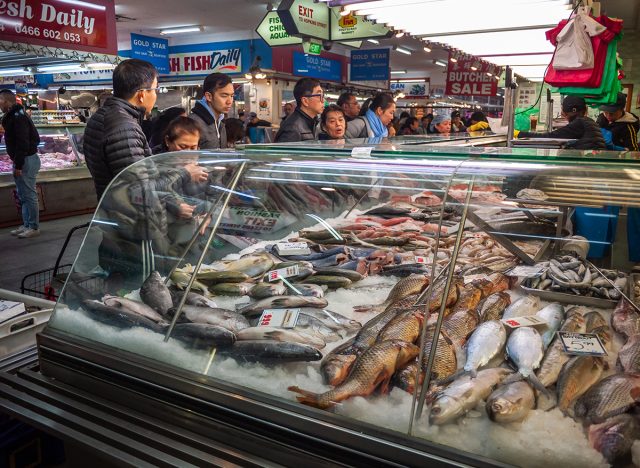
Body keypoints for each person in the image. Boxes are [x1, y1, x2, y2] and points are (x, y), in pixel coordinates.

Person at [0, 90, 41, 238]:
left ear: (5, 101)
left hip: (26, 160)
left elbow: (23, 142)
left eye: (0, 101)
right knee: (22, 194)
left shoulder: (18, 117)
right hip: (21, 159)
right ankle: (26, 224)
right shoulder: (12, 116)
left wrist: (18, 165)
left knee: (29, 195)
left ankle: (34, 227)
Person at [517, 96, 606, 150]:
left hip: (588, 166)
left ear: (564, 113)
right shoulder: (589, 121)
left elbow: (549, 137)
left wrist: (519, 134)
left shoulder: (579, 123)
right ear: (585, 110)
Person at [189, 73, 234, 149]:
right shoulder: (192, 123)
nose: (229, 101)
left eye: (232, 96)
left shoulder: (220, 122)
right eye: (224, 96)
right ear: (209, 96)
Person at [275, 78, 323, 143]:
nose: (323, 100)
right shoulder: (292, 128)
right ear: (305, 101)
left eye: (323, 95)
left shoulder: (313, 122)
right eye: (319, 95)